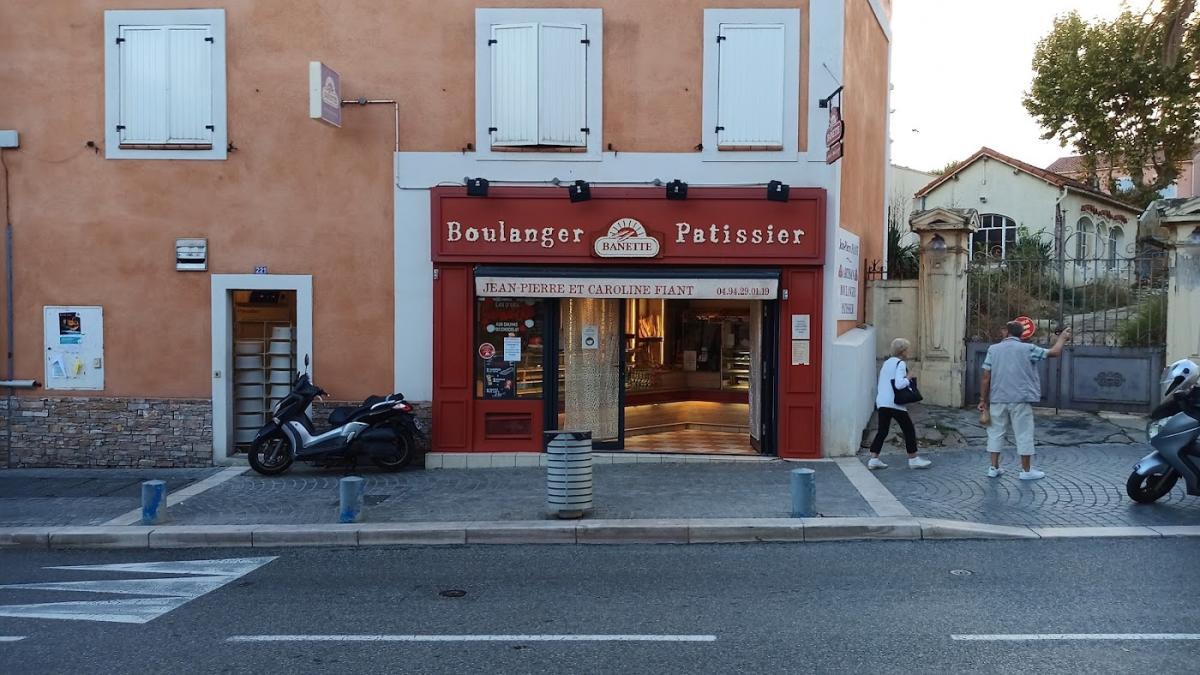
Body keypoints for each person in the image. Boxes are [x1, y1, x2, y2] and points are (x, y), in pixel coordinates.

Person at [977, 321, 1072, 480]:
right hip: (1020, 398)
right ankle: (1026, 471)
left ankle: (993, 468)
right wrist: (1062, 338)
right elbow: (1054, 352)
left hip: (997, 398)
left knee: (995, 433)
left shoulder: (993, 349)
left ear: (1006, 332)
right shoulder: (1028, 349)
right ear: (1022, 334)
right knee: (1024, 434)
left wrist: (982, 399)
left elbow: (986, 377)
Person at [867, 338, 931, 470]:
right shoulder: (900, 364)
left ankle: (874, 458)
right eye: (907, 349)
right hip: (894, 403)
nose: (908, 351)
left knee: (882, 431)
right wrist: (908, 378)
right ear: (902, 351)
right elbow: (899, 384)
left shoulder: (887, 363)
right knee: (908, 429)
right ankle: (913, 459)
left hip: (882, 401)